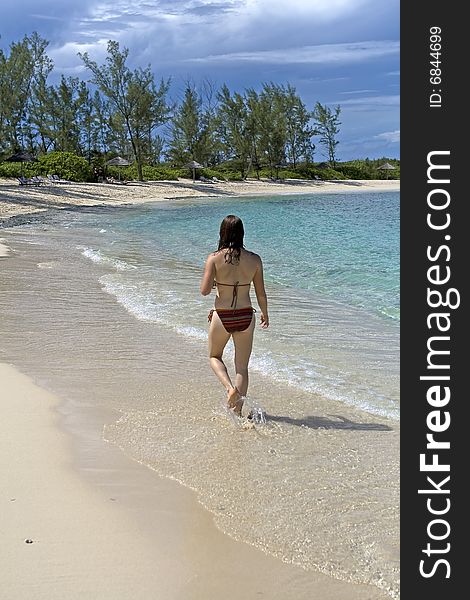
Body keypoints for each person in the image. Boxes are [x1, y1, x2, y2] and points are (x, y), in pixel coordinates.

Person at [200, 215, 269, 416]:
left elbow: (204, 291)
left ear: (222, 232)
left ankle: (230, 389)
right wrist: (265, 313)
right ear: (242, 233)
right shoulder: (255, 259)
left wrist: (215, 282)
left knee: (214, 356)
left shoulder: (214, 258)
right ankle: (237, 411)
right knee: (242, 367)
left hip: (222, 316)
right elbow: (261, 292)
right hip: (246, 315)